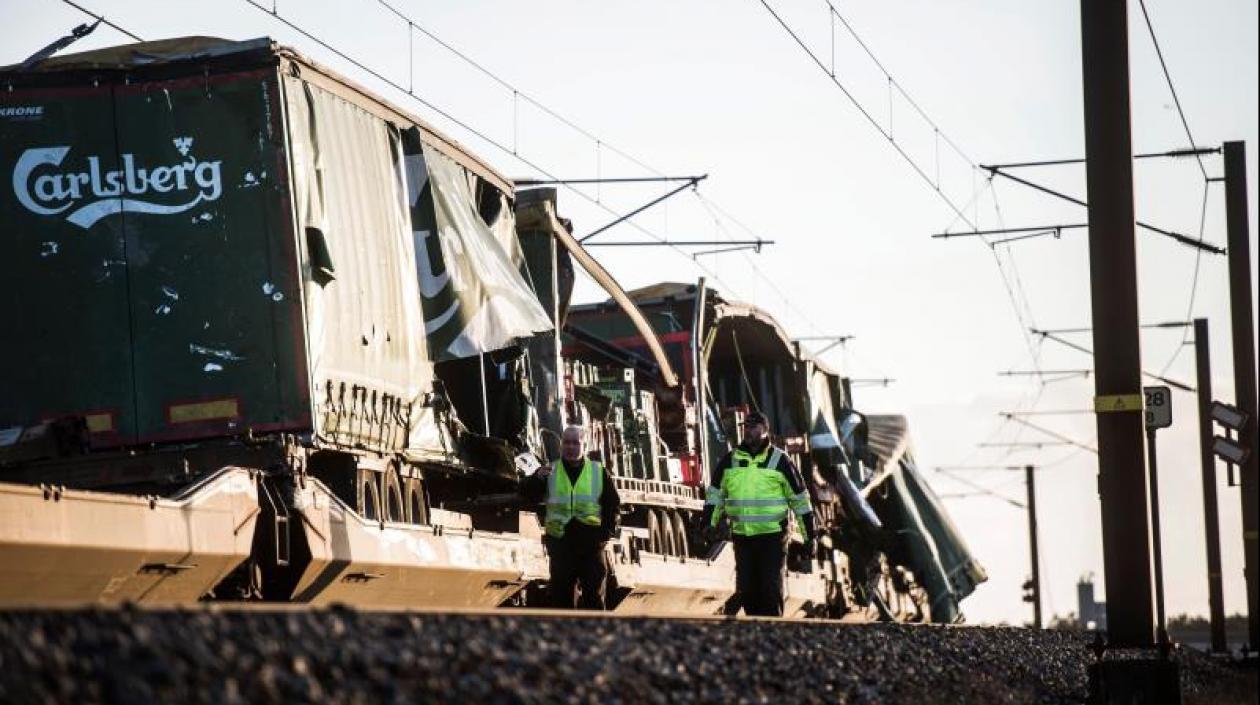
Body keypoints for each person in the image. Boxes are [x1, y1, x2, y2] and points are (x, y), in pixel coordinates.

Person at [702, 410, 816, 617]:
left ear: (765, 431)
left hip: (773, 537)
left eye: (753, 427)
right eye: (745, 427)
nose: (748, 431)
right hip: (742, 537)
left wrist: (810, 536)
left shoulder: (780, 461)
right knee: (747, 590)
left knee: (770, 587)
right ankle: (754, 630)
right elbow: (715, 496)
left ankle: (772, 628)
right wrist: (709, 524)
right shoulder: (731, 460)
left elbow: (800, 501)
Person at [521, 425, 620, 609]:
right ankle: (565, 635)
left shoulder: (598, 472)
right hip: (561, 545)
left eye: (576, 443)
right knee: (561, 599)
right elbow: (529, 496)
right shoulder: (550, 470)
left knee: (594, 597)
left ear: (584, 445)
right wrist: (536, 479)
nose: (571, 447)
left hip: (590, 546)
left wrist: (604, 535)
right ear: (561, 445)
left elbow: (612, 505)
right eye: (566, 442)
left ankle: (595, 635)